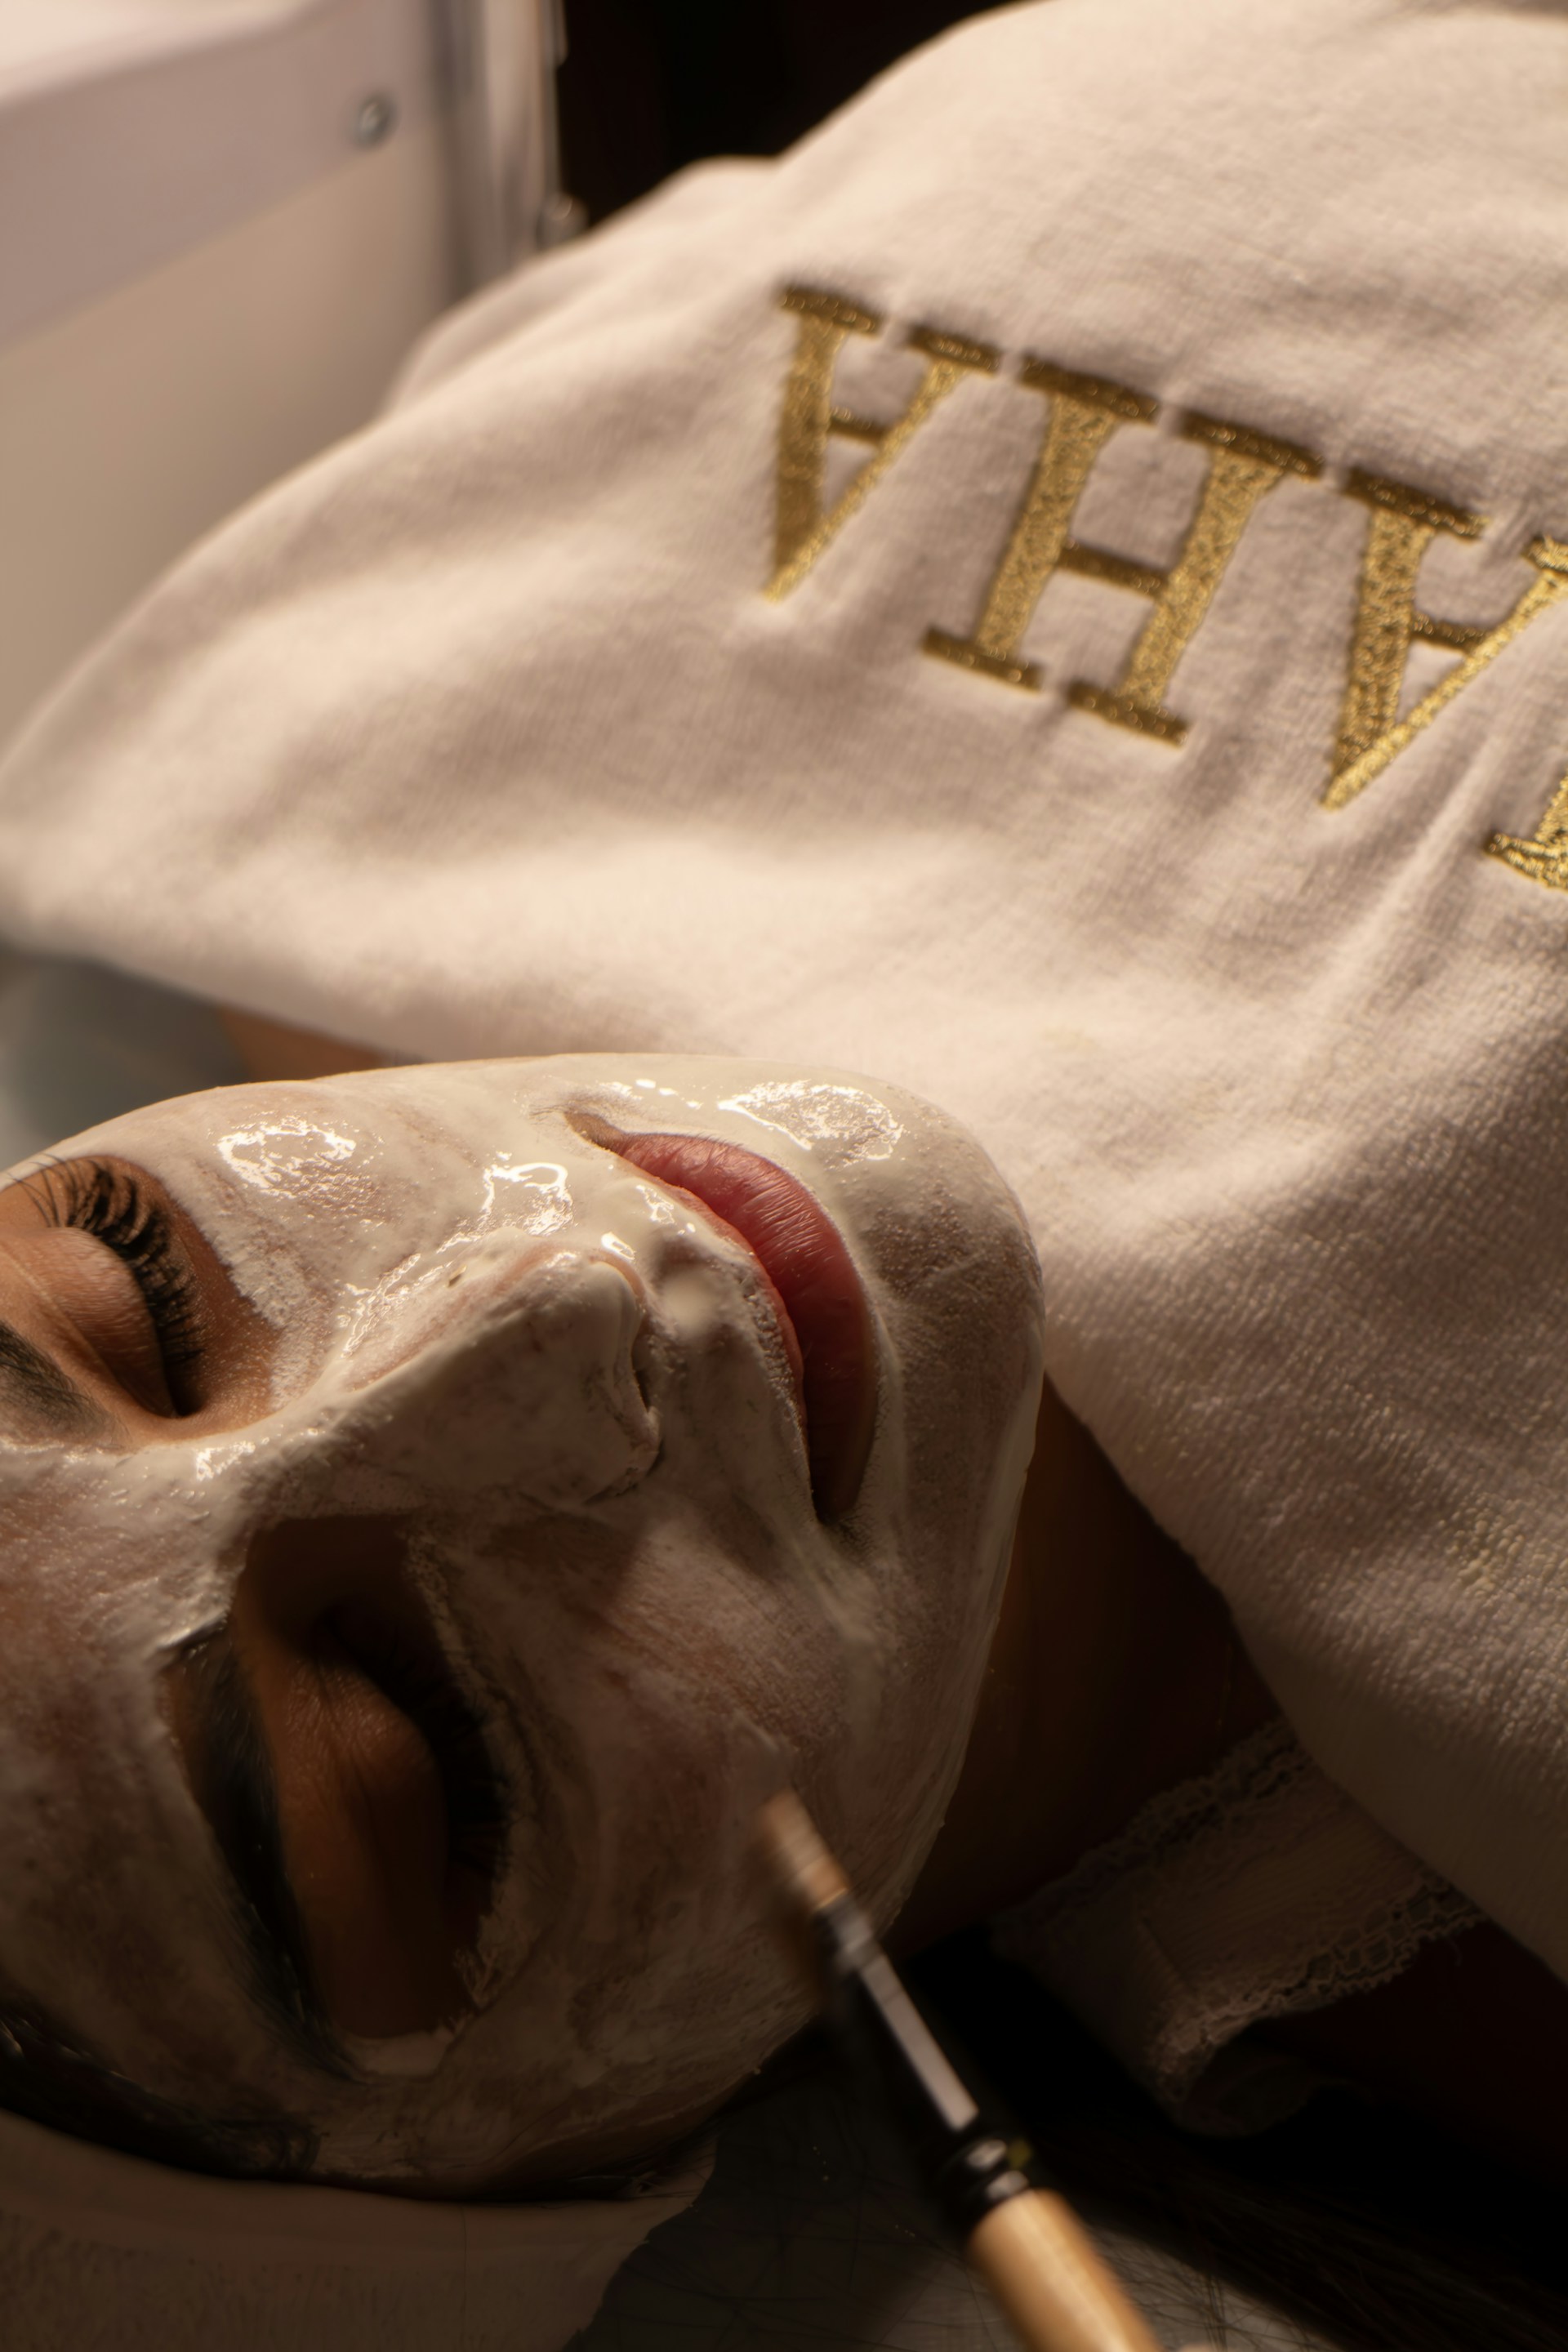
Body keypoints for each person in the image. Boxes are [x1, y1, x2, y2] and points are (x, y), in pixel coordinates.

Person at [2, 0, 1568, 2339]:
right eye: (418, 1760)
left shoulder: (390, 714)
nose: (536, 1322)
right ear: (575, 2185)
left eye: (128, 1290)